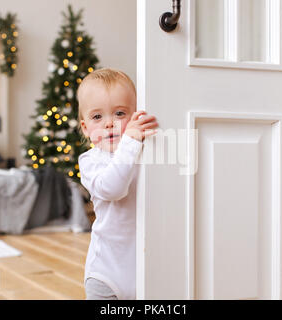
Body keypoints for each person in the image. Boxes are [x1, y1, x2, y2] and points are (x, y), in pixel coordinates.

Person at [77, 68, 159, 300]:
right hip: (106, 274)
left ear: (135, 115)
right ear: (85, 128)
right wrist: (130, 142)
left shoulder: (145, 152)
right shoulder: (90, 161)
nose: (109, 124)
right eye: (97, 117)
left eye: (120, 113)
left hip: (146, 268)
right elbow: (112, 188)